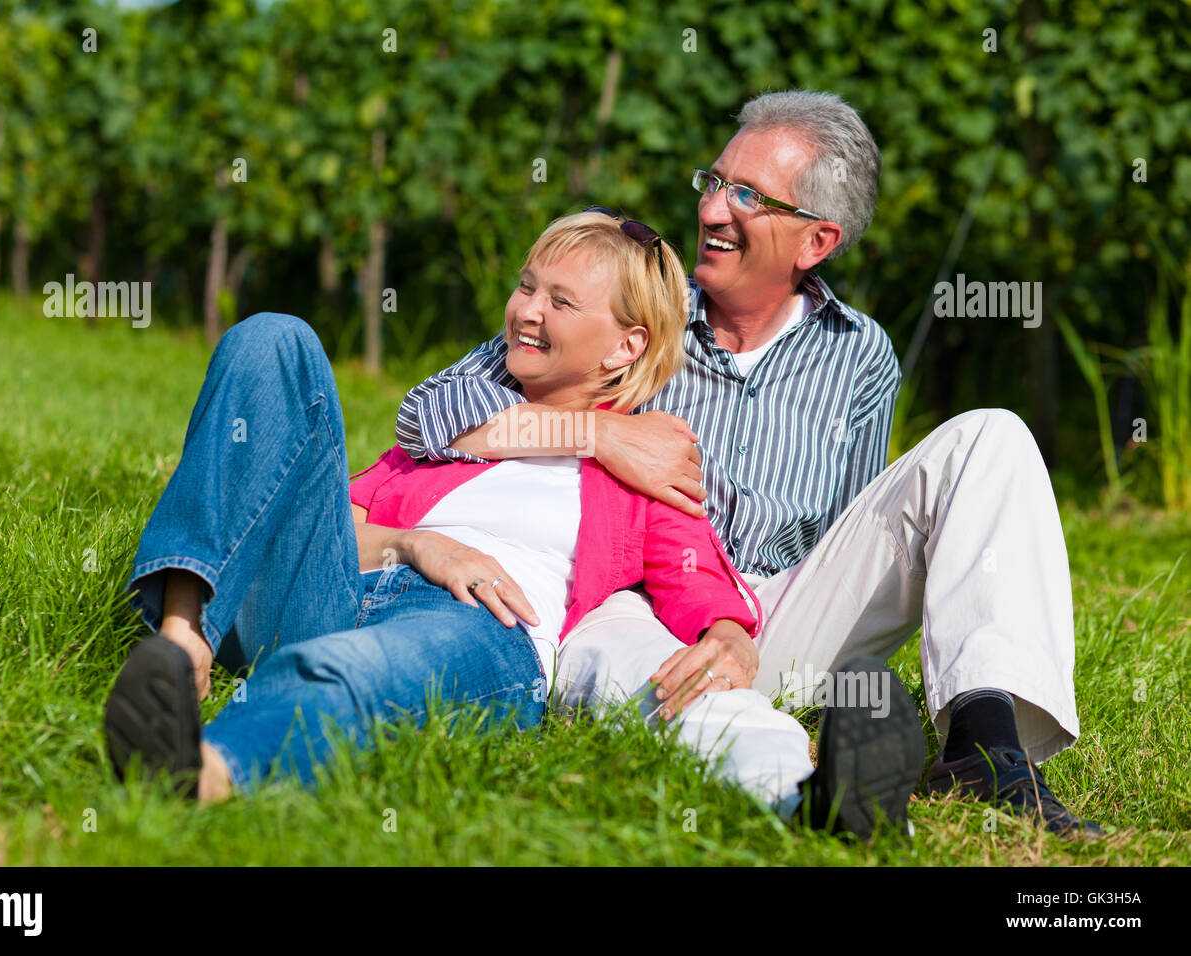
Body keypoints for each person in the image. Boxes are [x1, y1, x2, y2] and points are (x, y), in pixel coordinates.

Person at [394, 91, 1101, 837]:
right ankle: (799, 783)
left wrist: (755, 624)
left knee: (992, 435)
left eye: (747, 196)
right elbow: (425, 418)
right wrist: (598, 435)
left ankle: (987, 750)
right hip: (632, 594)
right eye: (714, 182)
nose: (710, 211)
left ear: (815, 241)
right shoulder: (634, 311)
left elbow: (850, 528)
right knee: (631, 651)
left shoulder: (860, 355)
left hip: (779, 613)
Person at [105, 208, 925, 831]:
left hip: (481, 628)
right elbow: (320, 519)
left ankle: (205, 767)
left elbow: (700, 579)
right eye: (527, 285)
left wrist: (727, 634)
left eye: (560, 300)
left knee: (362, 672)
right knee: (272, 338)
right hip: (332, 590)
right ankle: (185, 639)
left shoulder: (647, 469)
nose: (526, 310)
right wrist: (415, 542)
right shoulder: (464, 429)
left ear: (623, 349)